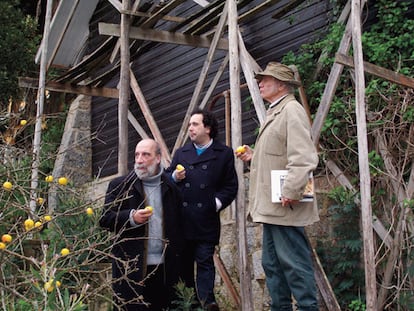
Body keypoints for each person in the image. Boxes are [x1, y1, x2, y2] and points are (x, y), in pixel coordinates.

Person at [236, 62, 319, 311]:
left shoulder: (291, 110)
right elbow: (279, 153)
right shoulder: (276, 112)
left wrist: (291, 191)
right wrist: (254, 156)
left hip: (285, 204)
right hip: (272, 207)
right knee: (272, 266)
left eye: (265, 80)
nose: (260, 83)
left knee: (294, 264)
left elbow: (303, 157)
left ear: (281, 84)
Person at [99, 138, 184, 311]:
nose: (139, 160)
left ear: (158, 158)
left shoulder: (170, 188)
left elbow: (178, 227)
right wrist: (131, 218)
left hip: (164, 269)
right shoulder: (120, 185)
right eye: (137, 155)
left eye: (146, 155)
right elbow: (105, 219)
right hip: (130, 269)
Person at [166, 109, 238, 311]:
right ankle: (190, 305)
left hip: (205, 219)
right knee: (184, 265)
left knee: (205, 261)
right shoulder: (182, 153)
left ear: (208, 128)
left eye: (195, 124)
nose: (190, 128)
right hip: (183, 219)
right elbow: (168, 176)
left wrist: (214, 204)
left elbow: (230, 186)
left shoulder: (223, 154)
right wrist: (174, 178)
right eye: (189, 125)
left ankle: (208, 302)